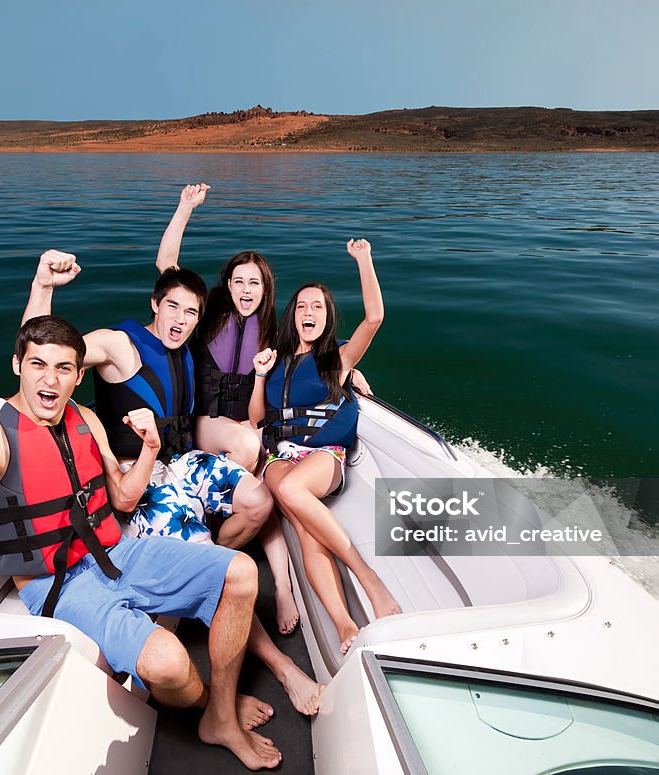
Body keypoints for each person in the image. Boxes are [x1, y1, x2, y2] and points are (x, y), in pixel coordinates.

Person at [0, 315, 281, 769]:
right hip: (59, 584)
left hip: (119, 553)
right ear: (17, 365)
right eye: (38, 364)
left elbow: (123, 496)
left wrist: (149, 450)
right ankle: (205, 705)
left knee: (241, 571)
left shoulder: (85, 419)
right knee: (169, 666)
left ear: (78, 375)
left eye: (64, 368)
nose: (51, 378)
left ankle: (219, 717)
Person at [22, 254, 323, 716]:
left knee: (259, 501)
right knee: (215, 562)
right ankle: (280, 664)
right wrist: (43, 288)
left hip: (181, 462)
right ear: (154, 305)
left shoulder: (183, 346)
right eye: (173, 308)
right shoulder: (121, 345)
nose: (181, 320)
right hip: (141, 478)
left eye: (191, 313)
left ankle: (193, 568)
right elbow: (45, 355)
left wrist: (346, 369)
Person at [154, 183, 372, 636]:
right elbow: (167, 267)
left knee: (266, 490)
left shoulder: (272, 326)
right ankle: (220, 536)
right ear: (227, 284)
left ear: (266, 288)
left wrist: (352, 370)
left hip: (249, 423)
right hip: (211, 423)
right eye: (239, 281)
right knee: (251, 447)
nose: (246, 289)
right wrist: (184, 208)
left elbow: (312, 357)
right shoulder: (210, 313)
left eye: (255, 282)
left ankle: (286, 588)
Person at [250, 239, 401, 656]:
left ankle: (369, 579)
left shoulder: (336, 360)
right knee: (302, 526)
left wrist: (364, 259)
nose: (308, 313)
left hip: (322, 456)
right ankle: (343, 623)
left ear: (328, 316)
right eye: (301, 306)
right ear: (292, 316)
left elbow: (374, 318)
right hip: (281, 455)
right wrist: (260, 376)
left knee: (293, 492)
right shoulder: (275, 360)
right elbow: (258, 419)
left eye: (317, 307)